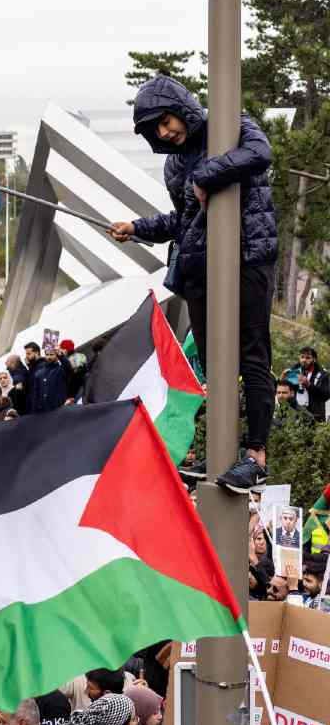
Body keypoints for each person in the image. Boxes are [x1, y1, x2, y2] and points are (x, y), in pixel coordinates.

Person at [108, 75, 277, 490]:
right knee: (212, 363)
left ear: (181, 107)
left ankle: (256, 454)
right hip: (200, 269)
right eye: (156, 129)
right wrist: (137, 227)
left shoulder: (230, 125)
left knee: (252, 354)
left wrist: (207, 176)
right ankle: (219, 450)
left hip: (248, 256)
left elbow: (259, 153)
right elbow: (180, 221)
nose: (166, 132)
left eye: (166, 121)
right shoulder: (172, 163)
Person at [286, 347, 330, 420]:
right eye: (302, 357)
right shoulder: (293, 372)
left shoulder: (323, 374)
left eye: (308, 358)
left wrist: (309, 385)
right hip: (296, 416)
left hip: (315, 415)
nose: (304, 360)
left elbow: (326, 395)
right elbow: (287, 393)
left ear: (314, 359)